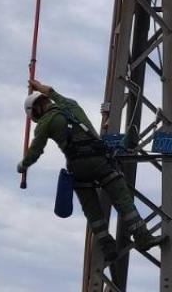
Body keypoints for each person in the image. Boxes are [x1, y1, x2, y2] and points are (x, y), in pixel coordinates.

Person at [18, 79, 162, 260]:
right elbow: (53, 91)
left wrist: (22, 166)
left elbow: (35, 151)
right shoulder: (71, 105)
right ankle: (143, 237)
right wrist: (39, 87)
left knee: (91, 208)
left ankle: (107, 247)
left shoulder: (45, 123)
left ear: (36, 111)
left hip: (79, 168)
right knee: (123, 200)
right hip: (102, 161)